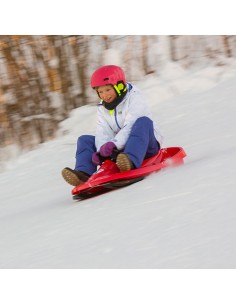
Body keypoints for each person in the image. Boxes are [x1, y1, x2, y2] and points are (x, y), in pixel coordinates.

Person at [61, 65, 163, 186]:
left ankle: (130, 162)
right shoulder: (103, 107)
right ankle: (83, 174)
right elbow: (102, 131)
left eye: (108, 90)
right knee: (84, 140)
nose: (104, 95)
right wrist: (100, 151)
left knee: (143, 122)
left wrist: (114, 144)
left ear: (119, 86)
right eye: (100, 92)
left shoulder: (134, 98)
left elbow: (130, 125)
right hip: (119, 150)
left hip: (145, 145)